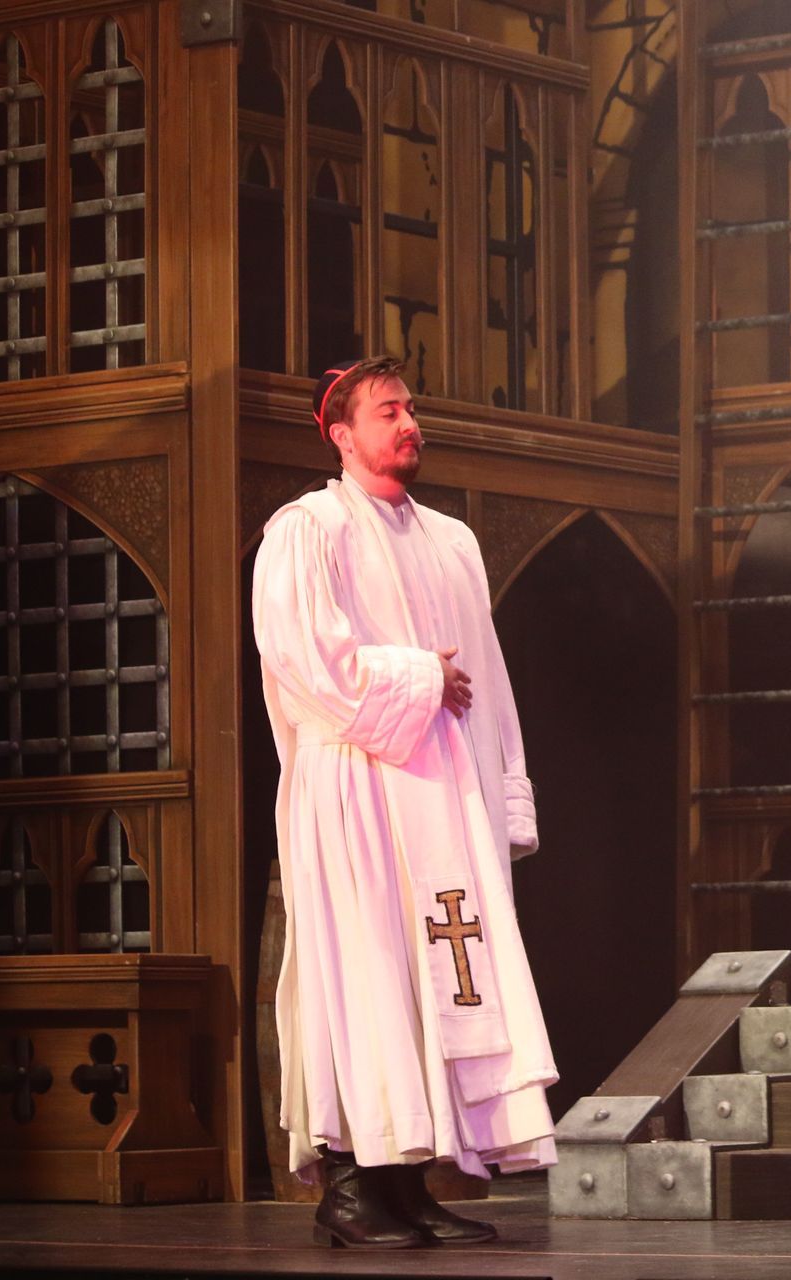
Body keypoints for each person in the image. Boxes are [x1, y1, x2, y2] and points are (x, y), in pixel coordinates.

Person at [253, 357, 557, 1249]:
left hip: (441, 793)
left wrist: (505, 795)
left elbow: (489, 678)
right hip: (354, 787)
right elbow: (305, 662)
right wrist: (421, 676)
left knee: (435, 983)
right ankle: (350, 1187)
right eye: (389, 410)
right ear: (342, 435)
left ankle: (409, 1181)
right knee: (369, 975)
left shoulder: (451, 541)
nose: (409, 422)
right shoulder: (307, 531)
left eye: (412, 408)